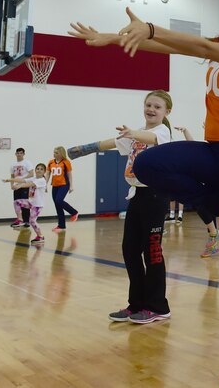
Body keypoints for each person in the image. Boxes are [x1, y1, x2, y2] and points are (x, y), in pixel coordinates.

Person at [69, 0, 219, 384]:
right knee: (153, 162)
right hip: (217, 152)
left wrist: (152, 27)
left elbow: (192, 45)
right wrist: (115, 37)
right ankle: (216, 202)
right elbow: (174, 47)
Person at [68, 90, 174, 323]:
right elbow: (113, 143)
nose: (151, 109)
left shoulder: (161, 132)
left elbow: (150, 139)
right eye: (148, 105)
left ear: (166, 112)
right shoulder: (135, 133)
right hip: (136, 195)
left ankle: (158, 306)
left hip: (155, 196)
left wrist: (133, 133)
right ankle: (136, 304)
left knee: (152, 252)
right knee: (130, 250)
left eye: (157, 107)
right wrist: (85, 148)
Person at [171, 125, 219, 257]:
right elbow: (192, 145)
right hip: (208, 186)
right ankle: (213, 240)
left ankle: (215, 235)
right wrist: (186, 131)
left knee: (206, 208)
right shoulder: (204, 150)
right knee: (203, 207)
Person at [3, 163, 47, 245]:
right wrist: (10, 180)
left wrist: (19, 186)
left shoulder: (42, 180)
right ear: (35, 170)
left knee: (32, 221)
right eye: (37, 168)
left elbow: (29, 184)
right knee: (17, 202)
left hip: (37, 205)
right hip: (30, 202)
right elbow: (22, 180)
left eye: (41, 169)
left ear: (44, 171)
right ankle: (20, 219)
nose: (39, 170)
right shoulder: (34, 178)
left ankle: (40, 236)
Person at [46, 146, 78, 233]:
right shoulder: (51, 162)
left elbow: (69, 174)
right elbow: (48, 174)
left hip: (64, 185)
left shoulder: (66, 162)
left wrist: (71, 186)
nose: (54, 154)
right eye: (54, 152)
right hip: (55, 185)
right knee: (57, 205)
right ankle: (61, 225)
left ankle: (74, 212)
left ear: (61, 154)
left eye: (56, 153)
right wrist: (45, 184)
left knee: (59, 200)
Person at [9, 148, 33, 229]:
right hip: (16, 186)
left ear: (23, 154)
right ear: (15, 154)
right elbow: (12, 176)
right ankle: (19, 219)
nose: (19, 154)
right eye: (18, 153)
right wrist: (12, 184)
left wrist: (23, 180)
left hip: (24, 186)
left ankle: (26, 221)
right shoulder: (13, 164)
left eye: (21, 153)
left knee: (24, 204)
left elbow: (31, 174)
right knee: (17, 204)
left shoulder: (27, 163)